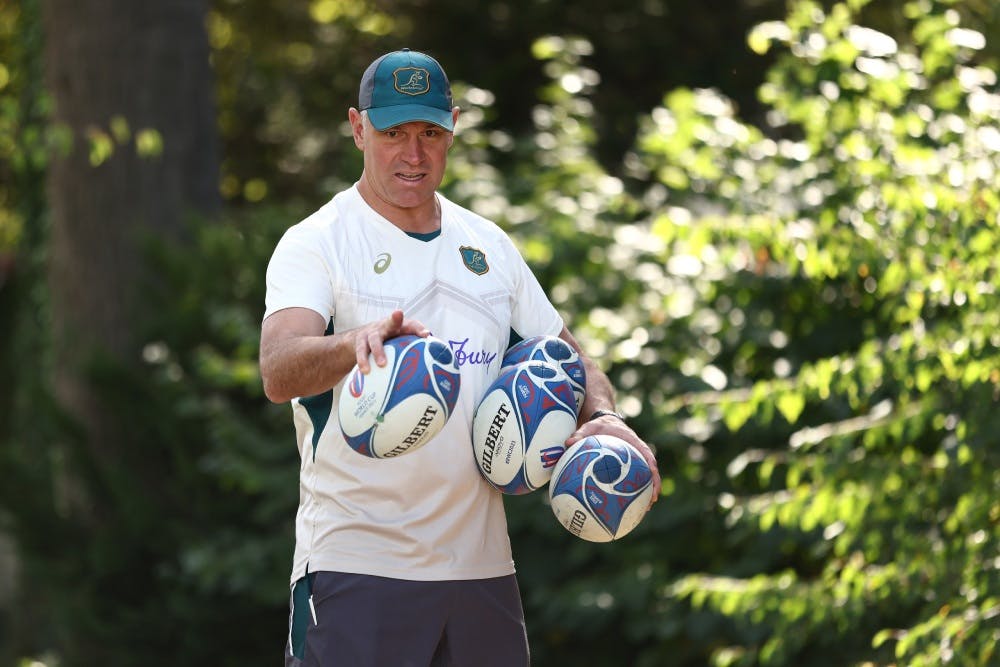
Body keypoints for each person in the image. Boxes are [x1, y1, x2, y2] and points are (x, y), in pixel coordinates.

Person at [259, 48, 660, 667]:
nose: (412, 154)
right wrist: (352, 343)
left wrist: (603, 417)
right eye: (393, 132)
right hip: (358, 568)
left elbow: (571, 359)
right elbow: (278, 368)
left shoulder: (489, 246)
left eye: (429, 133)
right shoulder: (317, 242)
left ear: (453, 129)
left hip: (482, 574)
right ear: (358, 128)